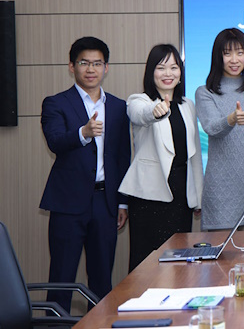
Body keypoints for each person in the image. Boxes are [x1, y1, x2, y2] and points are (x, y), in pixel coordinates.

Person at [40, 36, 130, 312]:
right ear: (72, 66)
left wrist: (122, 202)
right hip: (67, 203)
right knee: (62, 278)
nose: (91, 69)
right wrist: (83, 132)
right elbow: (55, 141)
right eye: (84, 63)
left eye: (97, 63)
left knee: (102, 280)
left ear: (106, 68)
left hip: (105, 203)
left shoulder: (118, 107)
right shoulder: (55, 103)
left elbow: (122, 157)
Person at [119, 44, 203, 271]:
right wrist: (155, 112)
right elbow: (140, 115)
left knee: (179, 263)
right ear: (151, 72)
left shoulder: (187, 105)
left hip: (181, 194)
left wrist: (197, 196)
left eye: (174, 67)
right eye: (161, 67)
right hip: (149, 196)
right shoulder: (139, 101)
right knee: (147, 265)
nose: (168, 73)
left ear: (180, 73)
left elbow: (194, 154)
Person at [196, 28, 244, 231]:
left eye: (240, 52)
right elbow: (212, 128)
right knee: (221, 250)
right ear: (217, 57)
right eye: (227, 53)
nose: (234, 59)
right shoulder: (205, 92)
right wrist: (232, 119)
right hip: (220, 186)